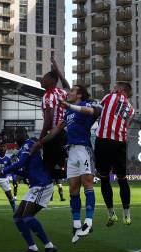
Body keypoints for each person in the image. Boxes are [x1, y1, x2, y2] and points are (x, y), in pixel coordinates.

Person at [37, 85, 101, 243]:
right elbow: (56, 130)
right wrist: (40, 142)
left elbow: (92, 112)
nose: (68, 93)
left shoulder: (84, 105)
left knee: (87, 183)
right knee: (73, 188)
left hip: (84, 149)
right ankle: (76, 225)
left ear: (79, 95)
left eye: (72, 91)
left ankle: (89, 222)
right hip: (71, 152)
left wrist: (69, 105)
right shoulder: (68, 112)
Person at [0, 128, 57, 252]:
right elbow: (26, 172)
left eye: (19, 133)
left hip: (43, 184)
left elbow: (22, 163)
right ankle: (32, 248)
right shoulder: (24, 149)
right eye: (15, 134)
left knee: (27, 217)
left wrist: (3, 171)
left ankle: (49, 246)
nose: (17, 136)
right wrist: (13, 171)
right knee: (18, 217)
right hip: (35, 185)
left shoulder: (28, 144)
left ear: (25, 135)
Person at [94, 82, 135, 226]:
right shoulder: (131, 109)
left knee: (104, 178)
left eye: (115, 87)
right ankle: (127, 215)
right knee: (122, 179)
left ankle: (111, 214)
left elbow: (98, 111)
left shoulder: (109, 97)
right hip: (119, 143)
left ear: (120, 90)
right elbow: (126, 126)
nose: (113, 89)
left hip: (103, 140)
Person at [39, 57, 69, 182]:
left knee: (47, 168)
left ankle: (44, 193)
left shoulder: (48, 95)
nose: (41, 80)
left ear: (51, 80)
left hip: (53, 135)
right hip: (64, 134)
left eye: (44, 78)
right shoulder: (61, 92)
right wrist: (58, 72)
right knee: (59, 168)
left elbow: (49, 118)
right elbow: (68, 87)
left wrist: (41, 138)